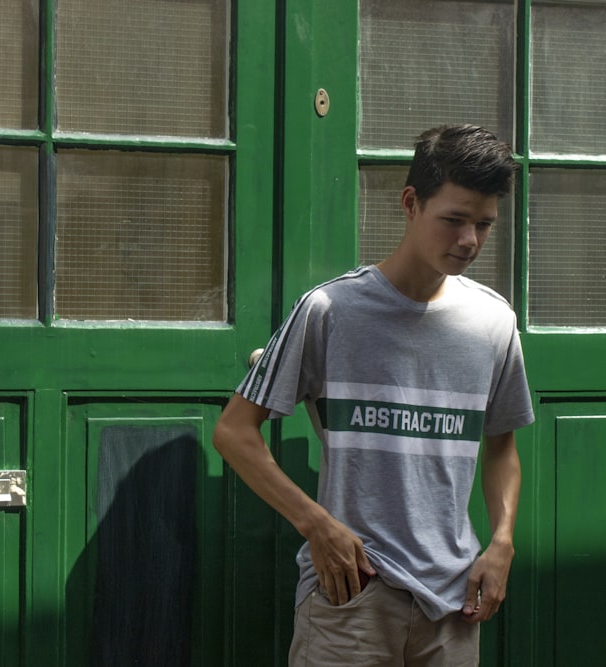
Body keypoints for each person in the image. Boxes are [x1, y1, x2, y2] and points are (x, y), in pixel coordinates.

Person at [212, 124, 535, 666]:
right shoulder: (330, 310)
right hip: (352, 594)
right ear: (410, 203)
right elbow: (234, 432)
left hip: (455, 602)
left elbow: (501, 447)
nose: (469, 241)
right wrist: (316, 523)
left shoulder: (494, 322)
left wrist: (501, 542)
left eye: (484, 225)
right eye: (453, 220)